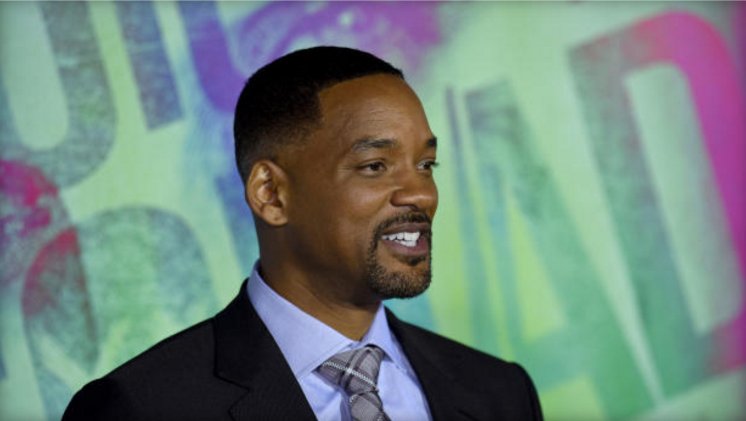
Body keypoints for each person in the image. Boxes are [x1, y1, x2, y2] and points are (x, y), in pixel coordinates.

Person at [63, 46, 542, 420]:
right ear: (271, 194)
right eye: (375, 166)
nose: (421, 194)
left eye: (426, 164)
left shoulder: (500, 393)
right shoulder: (141, 407)